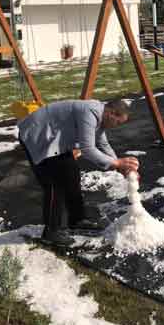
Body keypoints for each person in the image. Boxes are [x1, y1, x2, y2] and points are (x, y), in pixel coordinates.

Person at [18, 99, 140, 245]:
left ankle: (76, 219)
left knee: (72, 174)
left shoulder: (101, 116)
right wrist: (116, 163)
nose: (117, 126)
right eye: (118, 122)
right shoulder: (89, 112)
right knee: (54, 184)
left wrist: (119, 166)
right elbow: (88, 149)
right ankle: (51, 231)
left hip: (55, 138)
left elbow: (102, 143)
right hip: (38, 136)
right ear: (111, 113)